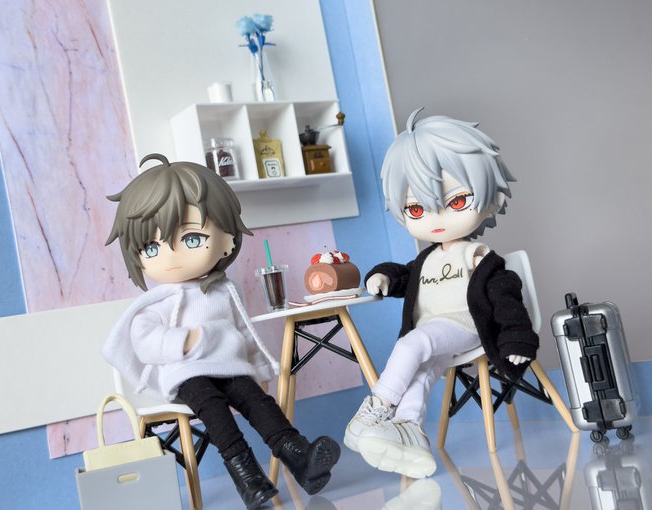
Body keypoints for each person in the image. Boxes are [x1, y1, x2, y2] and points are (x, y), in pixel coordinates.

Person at [103, 154, 340, 510]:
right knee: (212, 406)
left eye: (191, 239)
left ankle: (300, 457)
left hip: (228, 366)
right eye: (152, 248)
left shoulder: (224, 290)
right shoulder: (155, 303)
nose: (171, 256)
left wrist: (258, 370)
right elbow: (145, 342)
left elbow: (244, 332)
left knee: (256, 400)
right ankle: (247, 477)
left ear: (227, 240)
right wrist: (185, 341)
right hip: (186, 374)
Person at [344, 109, 538, 478]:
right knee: (420, 370)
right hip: (436, 337)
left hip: (465, 328)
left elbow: (507, 300)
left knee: (412, 345)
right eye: (416, 208)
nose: (436, 218)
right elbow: (405, 276)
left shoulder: (478, 258)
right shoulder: (427, 258)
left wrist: (517, 338)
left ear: (491, 200)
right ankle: (410, 433)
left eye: (457, 201)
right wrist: (383, 277)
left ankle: (377, 407)